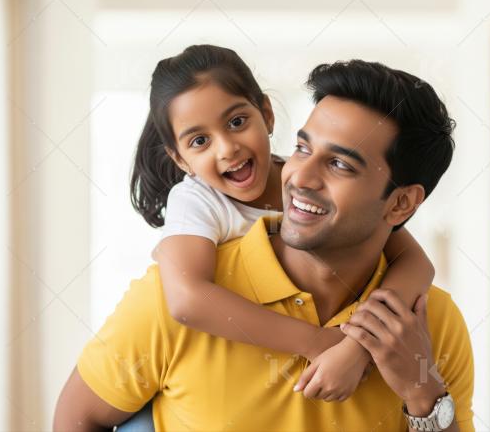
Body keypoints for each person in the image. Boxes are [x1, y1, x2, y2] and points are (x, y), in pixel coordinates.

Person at [55, 58, 474, 431]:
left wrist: (423, 396)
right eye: (302, 148)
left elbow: (416, 262)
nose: (299, 177)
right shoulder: (172, 297)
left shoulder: (431, 326)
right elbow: (77, 420)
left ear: (400, 203)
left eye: (340, 164)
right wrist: (321, 342)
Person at [128, 44, 435, 399]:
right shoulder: (195, 200)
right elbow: (187, 300)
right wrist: (319, 342)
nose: (227, 148)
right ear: (180, 160)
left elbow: (415, 263)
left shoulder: (304, 180)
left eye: (237, 122)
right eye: (200, 141)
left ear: (267, 115)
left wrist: (357, 346)